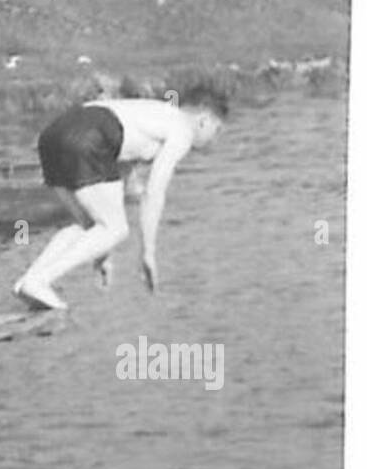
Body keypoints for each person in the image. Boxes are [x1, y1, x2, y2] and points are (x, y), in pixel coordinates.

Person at [13, 88, 227, 311]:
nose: (215, 139)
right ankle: (38, 282)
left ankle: (28, 281)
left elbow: (113, 186)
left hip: (53, 135)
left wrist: (101, 254)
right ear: (203, 121)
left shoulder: (154, 114)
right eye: (217, 130)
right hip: (92, 133)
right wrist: (148, 253)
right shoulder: (183, 129)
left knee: (87, 227)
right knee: (117, 229)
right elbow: (154, 193)